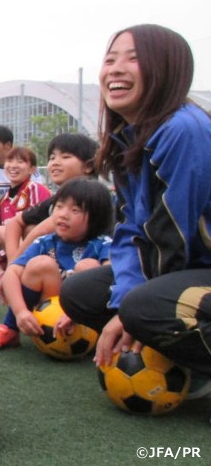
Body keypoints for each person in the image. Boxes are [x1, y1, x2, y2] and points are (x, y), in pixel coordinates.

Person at [58, 24, 211, 398]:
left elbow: (170, 239)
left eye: (133, 58)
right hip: (187, 273)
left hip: (197, 267)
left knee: (143, 307)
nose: (116, 69)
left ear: (167, 69)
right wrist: (122, 302)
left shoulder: (184, 129)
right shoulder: (129, 138)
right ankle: (185, 360)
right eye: (110, 60)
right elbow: (130, 232)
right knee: (79, 292)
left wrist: (129, 313)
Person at [0, 133, 99, 351]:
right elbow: (15, 224)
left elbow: (40, 230)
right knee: (36, 261)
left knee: (87, 267)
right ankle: (11, 325)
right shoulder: (54, 201)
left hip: (83, 292)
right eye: (52, 157)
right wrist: (16, 266)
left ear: (88, 166)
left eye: (66, 156)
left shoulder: (100, 201)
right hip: (54, 282)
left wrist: (16, 266)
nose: (55, 162)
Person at [0, 177, 112, 340]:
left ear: (96, 218)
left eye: (75, 210)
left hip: (86, 324)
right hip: (49, 319)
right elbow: (12, 273)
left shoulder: (103, 244)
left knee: (89, 267)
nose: (63, 215)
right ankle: (10, 327)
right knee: (40, 264)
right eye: (59, 207)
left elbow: (113, 276)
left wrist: (76, 313)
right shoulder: (45, 242)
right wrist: (20, 312)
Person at [0, 147, 52, 282]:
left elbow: (39, 230)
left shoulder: (35, 189)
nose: (13, 165)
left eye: (20, 162)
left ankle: (15, 274)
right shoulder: (4, 201)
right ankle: (8, 279)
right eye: (10, 160)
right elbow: (6, 242)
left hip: (37, 252)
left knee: (0, 231)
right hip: (12, 256)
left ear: (31, 169)